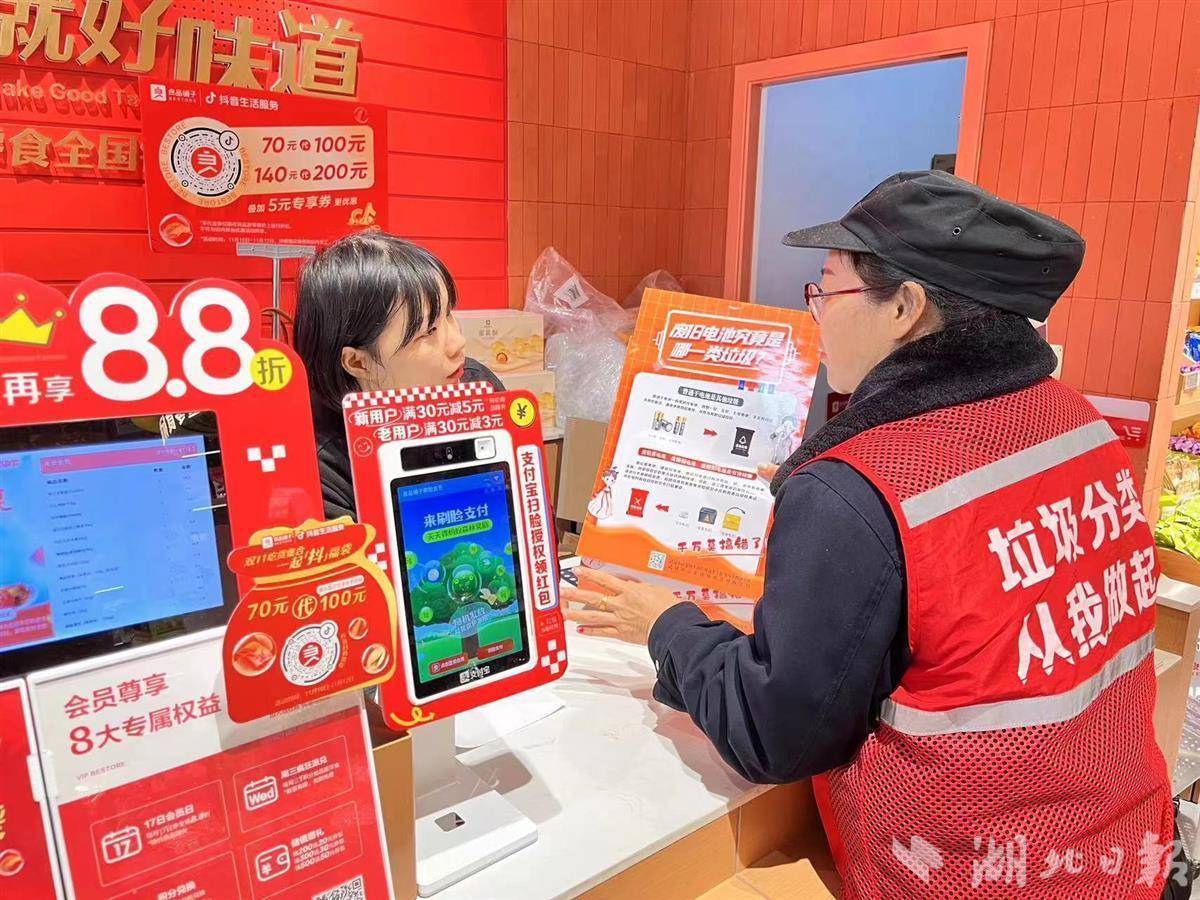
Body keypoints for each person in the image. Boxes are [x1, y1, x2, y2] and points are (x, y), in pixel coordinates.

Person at [562, 171, 1187, 898]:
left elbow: (777, 734)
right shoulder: (1077, 422)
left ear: (904, 307)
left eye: (827, 289)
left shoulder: (861, 485)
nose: (815, 315)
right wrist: (826, 498)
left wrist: (667, 625)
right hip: (1124, 850)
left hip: (965, 874)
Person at [294, 232, 503, 520]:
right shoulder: (319, 465)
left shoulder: (476, 386)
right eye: (428, 332)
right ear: (357, 362)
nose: (458, 343)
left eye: (448, 314)